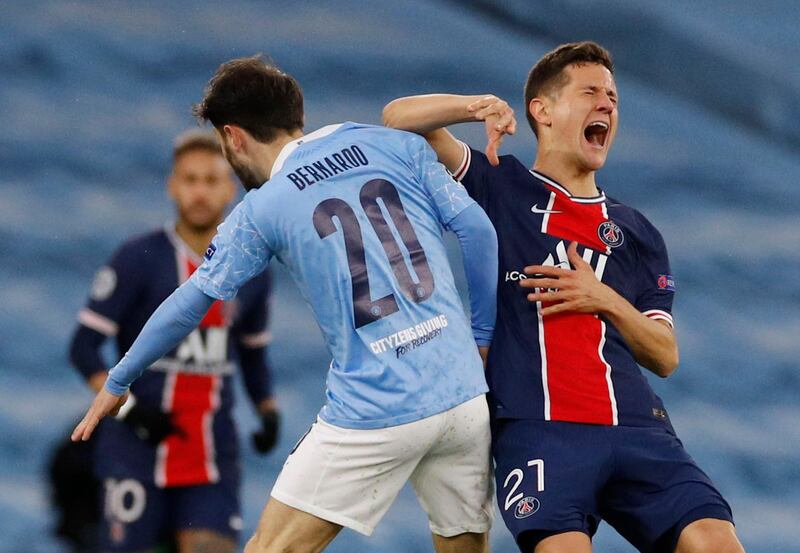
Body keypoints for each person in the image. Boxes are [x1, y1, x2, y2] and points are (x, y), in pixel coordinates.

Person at [72, 55, 499, 553]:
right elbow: (477, 230)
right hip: (463, 395)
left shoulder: (265, 204)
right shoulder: (393, 144)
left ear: (232, 137)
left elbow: (191, 301)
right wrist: (483, 337)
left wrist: (119, 381)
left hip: (377, 405)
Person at [383, 41, 745, 553]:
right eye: (591, 92)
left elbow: (665, 356)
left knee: (718, 545)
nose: (608, 104)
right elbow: (398, 119)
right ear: (543, 110)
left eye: (613, 96)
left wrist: (605, 299)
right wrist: (474, 106)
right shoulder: (499, 185)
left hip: (638, 428)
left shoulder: (637, 232)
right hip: (540, 431)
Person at [68, 130, 280, 553]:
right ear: (172, 186)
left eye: (210, 180)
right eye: (190, 180)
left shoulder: (253, 267)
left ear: (230, 188)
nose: (199, 192)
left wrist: (267, 409)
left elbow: (252, 352)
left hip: (211, 455)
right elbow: (83, 347)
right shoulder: (138, 258)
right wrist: (129, 410)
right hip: (136, 453)